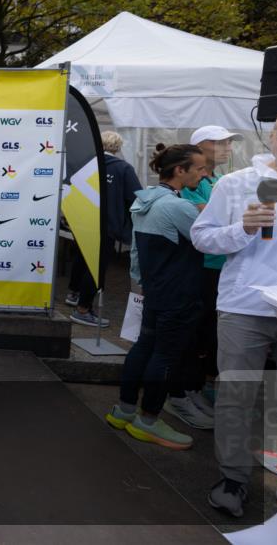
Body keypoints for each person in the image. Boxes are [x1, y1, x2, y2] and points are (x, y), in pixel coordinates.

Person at [191, 112, 277, 518]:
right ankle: (233, 479)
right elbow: (201, 235)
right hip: (245, 305)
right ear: (271, 135)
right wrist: (243, 229)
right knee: (236, 395)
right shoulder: (236, 184)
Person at [105, 144, 208, 449]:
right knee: (165, 355)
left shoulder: (147, 200)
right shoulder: (178, 207)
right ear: (180, 170)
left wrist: (139, 282)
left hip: (154, 289)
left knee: (145, 346)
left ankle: (124, 411)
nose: (204, 175)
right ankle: (148, 421)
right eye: (199, 169)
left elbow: (139, 250)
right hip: (178, 293)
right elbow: (211, 240)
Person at [179, 125, 242, 408]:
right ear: (202, 145)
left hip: (221, 265)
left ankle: (204, 382)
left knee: (213, 328)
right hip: (201, 265)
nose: (229, 147)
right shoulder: (194, 178)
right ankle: (189, 387)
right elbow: (198, 214)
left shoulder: (221, 179)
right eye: (223, 142)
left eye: (229, 142)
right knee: (199, 325)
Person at [66, 131, 142, 327]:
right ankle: (83, 309)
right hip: (106, 226)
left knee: (82, 258)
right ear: (117, 147)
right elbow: (136, 198)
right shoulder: (123, 168)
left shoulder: (85, 165)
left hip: (82, 222)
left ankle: (73, 293)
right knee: (96, 268)